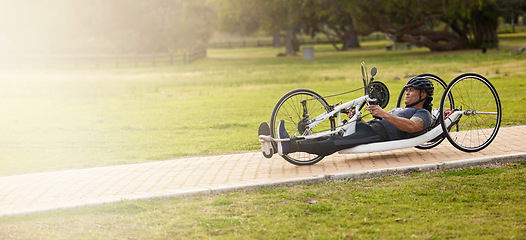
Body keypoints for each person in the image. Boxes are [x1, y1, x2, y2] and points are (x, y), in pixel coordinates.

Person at [277, 77, 434, 157]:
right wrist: (358, 120)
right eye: (407, 90)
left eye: (411, 90)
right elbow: (378, 121)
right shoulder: (400, 108)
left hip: (379, 134)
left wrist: (384, 113)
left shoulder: (422, 113)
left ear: (423, 94)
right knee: (328, 135)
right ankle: (282, 143)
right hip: (371, 128)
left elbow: (413, 126)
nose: (407, 92)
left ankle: (291, 147)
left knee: (335, 142)